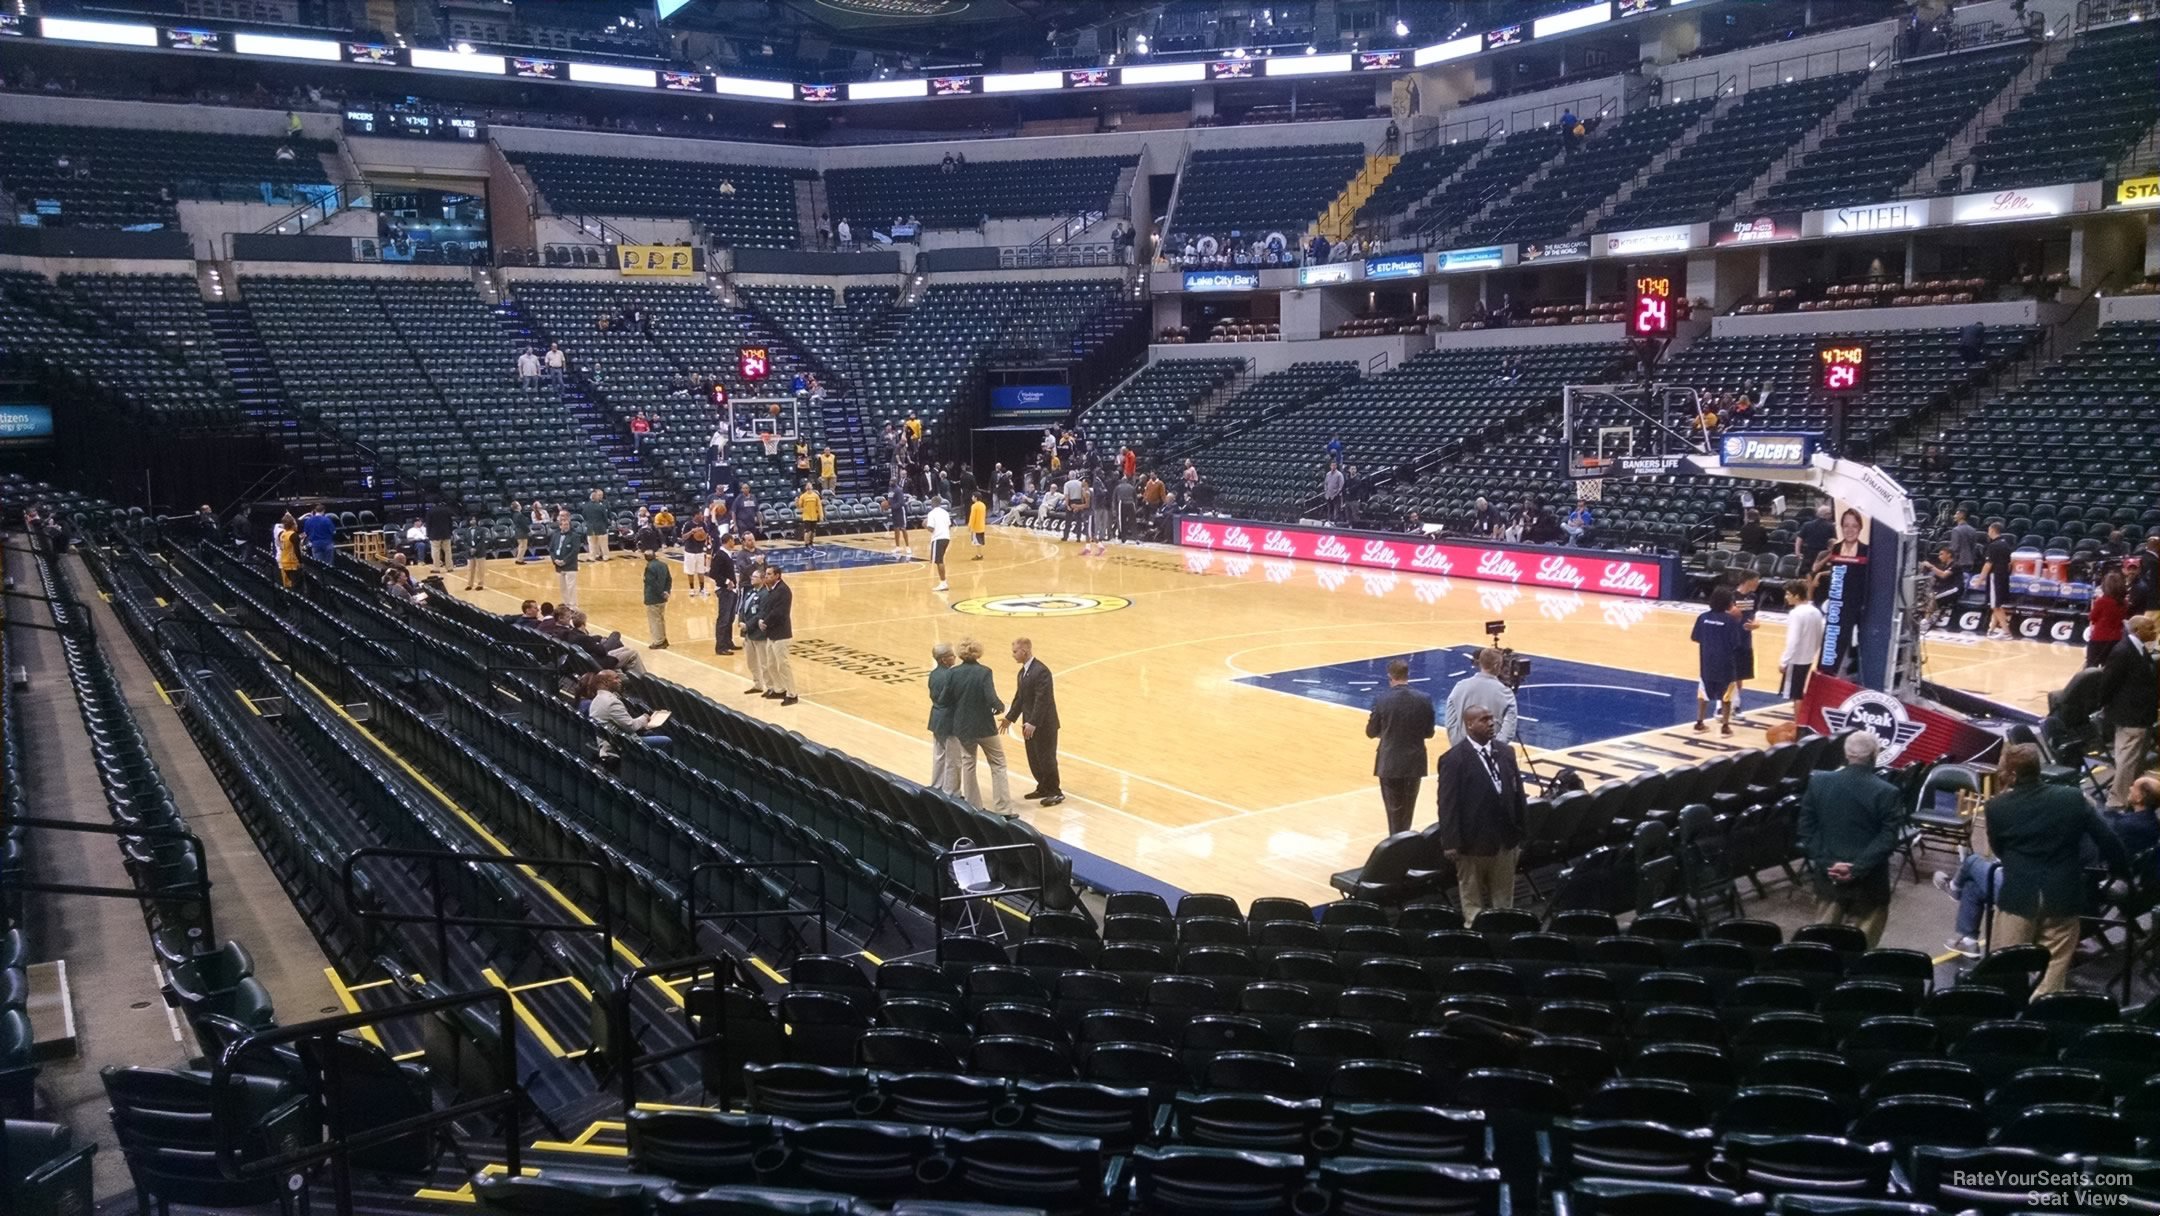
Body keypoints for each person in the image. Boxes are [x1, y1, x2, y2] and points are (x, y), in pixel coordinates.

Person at [1984, 742, 2131, 994]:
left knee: (2007, 962)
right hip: (2063, 893)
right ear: (2037, 769)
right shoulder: (2071, 798)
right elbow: (2108, 840)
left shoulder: (1996, 807)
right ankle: (2042, 1014)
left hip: (2018, 894)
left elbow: (1999, 850)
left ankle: (2006, 1017)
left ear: (2012, 774)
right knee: (2055, 963)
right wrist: (2122, 873)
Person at [1797, 731, 1901, 946]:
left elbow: (1806, 831)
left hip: (1829, 878)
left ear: (1846, 753)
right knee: (1862, 949)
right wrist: (1856, 868)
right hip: (1870, 883)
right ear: (1874, 754)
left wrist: (1829, 864)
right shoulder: (1887, 792)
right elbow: (1888, 838)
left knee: (1821, 948)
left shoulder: (1819, 782)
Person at [1433, 704, 1525, 923]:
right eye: (1484, 719)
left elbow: (1517, 794)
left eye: (1491, 718)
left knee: (1504, 899)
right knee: (1472, 900)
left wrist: (1521, 831)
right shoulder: (1454, 759)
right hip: (1471, 844)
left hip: (1505, 841)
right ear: (1470, 725)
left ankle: (1504, 933)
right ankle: (1475, 936)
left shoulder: (1505, 752)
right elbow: (1447, 804)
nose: (1491, 723)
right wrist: (1450, 842)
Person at [2094, 614, 2157, 808]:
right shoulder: (2122, 651)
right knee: (2127, 762)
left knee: (2134, 761)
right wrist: (2104, 706)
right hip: (2129, 716)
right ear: (2137, 631)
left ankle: (2132, 797)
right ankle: (2116, 803)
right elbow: (2107, 683)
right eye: (2151, 628)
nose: (2155, 632)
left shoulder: (2140, 649)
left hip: (2142, 715)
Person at [1367, 659, 1436, 835]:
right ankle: (1403, 846)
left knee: (1393, 812)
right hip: (1414, 762)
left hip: (1389, 762)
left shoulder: (1382, 699)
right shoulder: (1424, 699)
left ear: (1390, 677)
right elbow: (1429, 733)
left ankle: (1395, 849)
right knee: (1408, 811)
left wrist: (1387, 731)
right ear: (1408, 675)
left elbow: (1370, 731)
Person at [948, 639, 1016, 816]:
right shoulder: (984, 672)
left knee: (968, 762)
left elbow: (947, 698)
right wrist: (1001, 707)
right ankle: (1003, 809)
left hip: (962, 726)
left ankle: (972, 806)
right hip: (984, 726)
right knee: (998, 763)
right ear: (978, 652)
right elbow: (991, 698)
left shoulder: (953, 673)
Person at [1004, 637, 1062, 806]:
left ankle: (1055, 792)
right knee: (1034, 758)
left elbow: (1042, 699)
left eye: (1015, 652)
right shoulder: (1023, 672)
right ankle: (1043, 787)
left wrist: (1033, 722)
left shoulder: (1041, 671)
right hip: (1029, 724)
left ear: (1025, 651)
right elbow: (1020, 698)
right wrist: (1010, 718)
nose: (1013, 655)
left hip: (1043, 725)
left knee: (1046, 758)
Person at [1693, 585, 1745, 734]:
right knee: (1726, 696)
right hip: (1726, 664)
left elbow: (1695, 637)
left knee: (1703, 693)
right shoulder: (1730, 621)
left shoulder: (1702, 617)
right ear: (1729, 603)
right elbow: (1736, 643)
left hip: (1707, 663)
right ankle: (1725, 726)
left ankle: (1699, 723)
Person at [586, 670, 670, 760]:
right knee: (666, 741)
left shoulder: (596, 701)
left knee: (649, 732)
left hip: (609, 742)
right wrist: (645, 717)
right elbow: (631, 726)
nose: (620, 681)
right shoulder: (612, 702)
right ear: (606, 682)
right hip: (624, 745)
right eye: (616, 678)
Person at [1443, 647, 1519, 746]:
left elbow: (1450, 722)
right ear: (1497, 666)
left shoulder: (1460, 686)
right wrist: (1495, 748)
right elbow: (1509, 729)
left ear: (1480, 663)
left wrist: (1458, 746)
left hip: (1462, 750)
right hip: (1491, 753)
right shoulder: (1505, 692)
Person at [744, 565, 797, 706]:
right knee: (771, 664)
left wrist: (765, 622)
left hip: (781, 634)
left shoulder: (783, 591)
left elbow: (779, 613)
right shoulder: (772, 590)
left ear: (777, 575)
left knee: (782, 665)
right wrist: (762, 620)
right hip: (771, 634)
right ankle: (779, 689)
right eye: (766, 574)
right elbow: (767, 609)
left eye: (769, 574)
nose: (766, 577)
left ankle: (792, 693)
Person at [927, 642, 967, 798]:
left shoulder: (933, 674)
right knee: (954, 759)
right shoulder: (950, 675)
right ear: (944, 659)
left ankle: (937, 786)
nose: (954, 657)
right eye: (951, 655)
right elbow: (954, 699)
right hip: (949, 721)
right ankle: (953, 793)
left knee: (939, 755)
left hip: (936, 718)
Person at [1778, 579, 1825, 700]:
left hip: (1796, 659)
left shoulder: (1796, 613)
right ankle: (1798, 718)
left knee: (1795, 694)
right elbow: (1819, 636)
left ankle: (1798, 719)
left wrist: (1784, 660)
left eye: (1788, 594)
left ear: (1797, 596)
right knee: (1798, 691)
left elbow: (1793, 640)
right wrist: (1812, 652)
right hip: (1808, 657)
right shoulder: (1816, 611)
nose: (1786, 597)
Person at [1980, 521, 2014, 638]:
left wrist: (1980, 579)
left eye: (1989, 530)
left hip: (1995, 576)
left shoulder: (1993, 545)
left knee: (1995, 606)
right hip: (2004, 576)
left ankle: (2006, 632)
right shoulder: (2006, 544)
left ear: (1993, 530)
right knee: (1997, 604)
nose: (1988, 532)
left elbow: (1988, 564)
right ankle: (1992, 629)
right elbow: (2010, 563)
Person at [2087, 570, 2128, 668]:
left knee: (2091, 668)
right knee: (2110, 668)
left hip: (2099, 639)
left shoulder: (2102, 601)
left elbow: (2092, 617)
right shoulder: (2125, 603)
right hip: (2117, 639)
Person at [712, 533, 743, 656]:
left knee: (730, 618)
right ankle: (720, 647)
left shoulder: (727, 554)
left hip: (731, 590)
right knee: (723, 619)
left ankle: (728, 642)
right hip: (724, 591)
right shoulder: (720, 555)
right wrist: (726, 581)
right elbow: (713, 573)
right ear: (728, 541)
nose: (734, 542)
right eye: (733, 540)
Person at [642, 546, 672, 651]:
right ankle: (663, 639)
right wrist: (666, 592)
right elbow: (669, 579)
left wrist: (660, 593)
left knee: (655, 621)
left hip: (653, 597)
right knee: (661, 619)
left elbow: (652, 583)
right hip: (663, 598)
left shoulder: (649, 568)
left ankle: (659, 641)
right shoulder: (664, 565)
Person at [550, 507, 582, 607]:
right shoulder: (555, 535)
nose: (565, 526)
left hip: (570, 565)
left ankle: (573, 604)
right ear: (560, 526)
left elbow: (575, 551)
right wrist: (555, 560)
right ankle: (566, 603)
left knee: (571, 586)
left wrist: (564, 561)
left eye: (567, 524)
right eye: (563, 524)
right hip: (558, 565)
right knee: (563, 587)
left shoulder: (574, 536)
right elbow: (551, 549)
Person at [1795, 504, 1835, 571]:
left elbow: (1799, 539)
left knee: (1807, 574)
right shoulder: (1830, 527)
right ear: (1827, 514)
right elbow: (1833, 541)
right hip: (1823, 554)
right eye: (1830, 513)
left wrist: (1797, 552)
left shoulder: (1807, 525)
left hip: (1808, 554)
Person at [925, 496, 953, 591]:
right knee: (940, 560)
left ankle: (943, 583)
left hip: (938, 538)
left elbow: (931, 528)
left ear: (932, 503)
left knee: (939, 561)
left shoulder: (931, 514)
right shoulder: (945, 513)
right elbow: (949, 525)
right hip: (947, 537)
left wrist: (925, 525)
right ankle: (943, 582)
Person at [1947, 508, 1983, 582]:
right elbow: (1974, 546)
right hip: (1970, 561)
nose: (1954, 516)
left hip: (1959, 562)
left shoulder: (1956, 530)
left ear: (1961, 515)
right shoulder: (1973, 530)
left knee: (1958, 583)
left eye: (1956, 514)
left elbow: (1955, 548)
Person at [680, 525, 710, 601]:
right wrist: (692, 532)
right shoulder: (688, 524)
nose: (701, 516)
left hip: (700, 551)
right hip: (689, 552)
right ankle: (691, 589)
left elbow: (706, 535)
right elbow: (683, 537)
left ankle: (702, 589)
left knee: (701, 571)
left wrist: (702, 534)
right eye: (700, 514)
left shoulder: (703, 524)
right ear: (695, 515)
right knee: (690, 572)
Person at [582, 489, 611, 563]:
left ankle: (592, 557)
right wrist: (606, 525)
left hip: (590, 527)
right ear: (596, 498)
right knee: (603, 544)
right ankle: (605, 556)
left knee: (592, 544)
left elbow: (584, 516)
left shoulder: (585, 506)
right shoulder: (601, 506)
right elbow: (605, 517)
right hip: (601, 527)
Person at [460, 514, 488, 591]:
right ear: (469, 521)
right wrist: (470, 549)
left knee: (480, 569)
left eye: (474, 519)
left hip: (480, 552)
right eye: (471, 519)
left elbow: (482, 541)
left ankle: (480, 584)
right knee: (470, 569)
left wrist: (475, 549)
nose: (473, 521)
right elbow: (464, 542)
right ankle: (469, 584)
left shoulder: (482, 530)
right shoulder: (466, 531)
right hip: (470, 553)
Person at [276, 511, 302, 589]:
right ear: (292, 525)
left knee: (288, 584)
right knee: (296, 585)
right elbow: (297, 550)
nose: (297, 525)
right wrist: (301, 562)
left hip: (284, 562)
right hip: (292, 563)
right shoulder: (293, 535)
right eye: (295, 523)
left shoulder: (283, 534)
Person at [967, 492, 987, 560]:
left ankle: (979, 555)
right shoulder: (983, 505)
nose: (971, 498)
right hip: (982, 525)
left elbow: (972, 517)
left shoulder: (974, 506)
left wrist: (970, 526)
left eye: (972, 496)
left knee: (977, 542)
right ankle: (979, 554)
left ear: (975, 497)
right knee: (980, 541)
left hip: (976, 527)